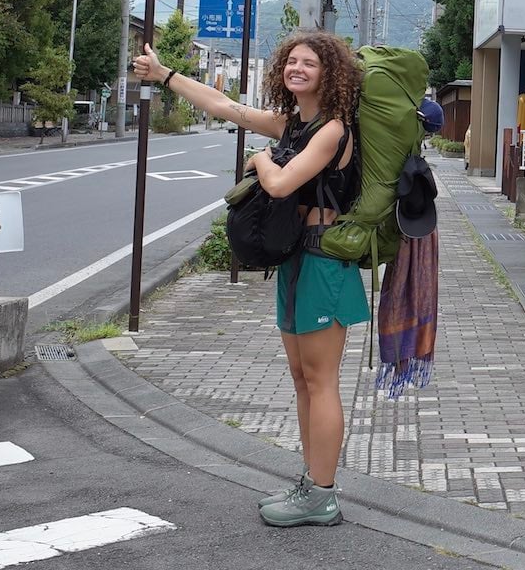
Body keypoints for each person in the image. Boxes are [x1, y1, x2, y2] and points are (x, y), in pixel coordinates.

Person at [132, 31, 367, 528]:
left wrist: (260, 159)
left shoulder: (332, 130)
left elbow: (279, 182)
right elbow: (225, 106)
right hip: (297, 262)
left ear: (331, 74)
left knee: (321, 381)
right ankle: (311, 480)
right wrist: (166, 76)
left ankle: (323, 495)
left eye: (310, 63)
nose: (297, 69)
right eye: (292, 61)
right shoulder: (293, 125)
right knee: (302, 380)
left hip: (325, 264)